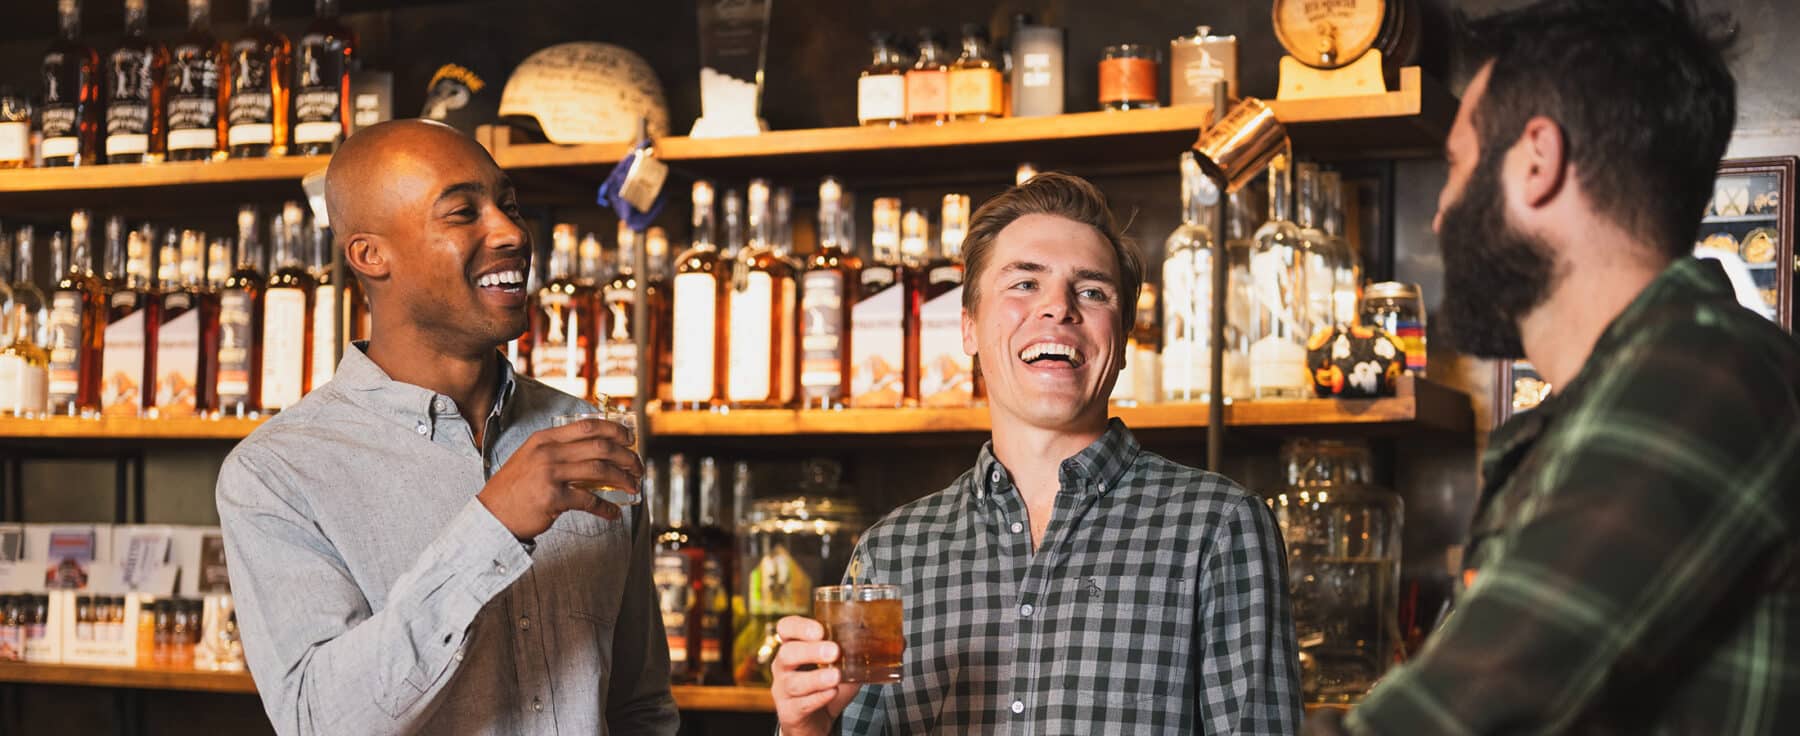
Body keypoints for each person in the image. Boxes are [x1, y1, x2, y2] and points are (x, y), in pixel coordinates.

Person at [1310, 1, 1800, 734]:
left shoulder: (1699, 378)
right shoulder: (1606, 403)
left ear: (1537, 162)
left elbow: (1446, 719)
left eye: (1456, 166)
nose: (1441, 214)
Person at [772, 173, 1302, 734]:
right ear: (969, 328)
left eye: (1093, 291)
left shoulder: (1218, 526)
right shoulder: (893, 551)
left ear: (1120, 343)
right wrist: (806, 728)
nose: (1058, 308)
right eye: (1024, 283)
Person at [216, 119, 676, 736]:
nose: (512, 232)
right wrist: (492, 527)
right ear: (370, 255)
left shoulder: (585, 436)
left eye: (509, 206)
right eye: (463, 213)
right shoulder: (275, 473)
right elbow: (317, 721)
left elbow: (639, 707)